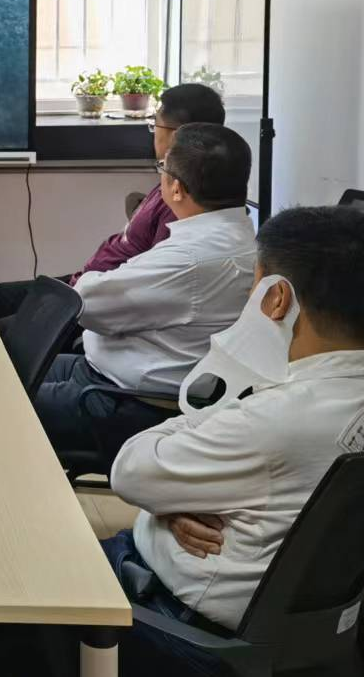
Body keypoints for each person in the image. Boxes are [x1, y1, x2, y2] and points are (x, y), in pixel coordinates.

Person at [100, 205, 364, 667]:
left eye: (255, 284)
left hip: (186, 632)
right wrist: (174, 505)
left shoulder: (272, 419)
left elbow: (130, 471)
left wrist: (165, 504)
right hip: (301, 637)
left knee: (15, 598)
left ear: (277, 298)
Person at [32, 123, 256, 460]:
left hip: (124, 402)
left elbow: (85, 302)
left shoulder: (189, 259)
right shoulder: (239, 238)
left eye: (163, 168)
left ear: (176, 189)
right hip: (105, 373)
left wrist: (100, 275)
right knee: (3, 372)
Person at [0, 83, 226, 322]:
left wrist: (85, 295)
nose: (153, 133)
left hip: (95, 299)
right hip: (89, 282)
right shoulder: (174, 180)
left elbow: (146, 284)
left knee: (1, 323)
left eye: (156, 125)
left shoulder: (180, 201)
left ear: (177, 135)